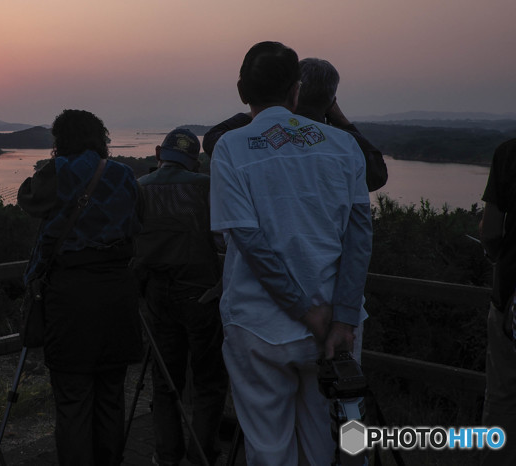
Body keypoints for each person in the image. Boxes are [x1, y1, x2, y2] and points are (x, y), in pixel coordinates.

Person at [209, 42, 372, 466]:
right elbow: (359, 237)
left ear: (242, 91)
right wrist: (342, 316)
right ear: (296, 91)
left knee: (268, 445)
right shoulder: (344, 146)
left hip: (259, 325)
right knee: (322, 441)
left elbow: (248, 240)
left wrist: (303, 310)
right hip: (336, 327)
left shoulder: (231, 147)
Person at [17, 109, 142, 466]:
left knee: (73, 401)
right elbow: (138, 222)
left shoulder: (55, 173)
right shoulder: (123, 174)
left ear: (60, 141)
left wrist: (49, 165)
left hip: (70, 298)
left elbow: (27, 200)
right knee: (111, 396)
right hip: (118, 294)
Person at [133, 128, 227, 466]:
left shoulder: (138, 189)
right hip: (201, 294)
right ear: (195, 161)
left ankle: (166, 455)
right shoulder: (207, 187)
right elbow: (223, 242)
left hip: (157, 298)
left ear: (159, 152)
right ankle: (203, 456)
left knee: (165, 382)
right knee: (209, 381)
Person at [203, 56, 388, 192]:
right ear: (331, 100)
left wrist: (262, 112)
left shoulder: (266, 136)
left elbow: (213, 139)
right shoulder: (344, 144)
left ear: (293, 90)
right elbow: (377, 175)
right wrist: (342, 120)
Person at [479, 138, 516, 465]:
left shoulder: (509, 153)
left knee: (503, 398)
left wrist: (495, 257)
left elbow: (490, 230)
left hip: (511, 299)